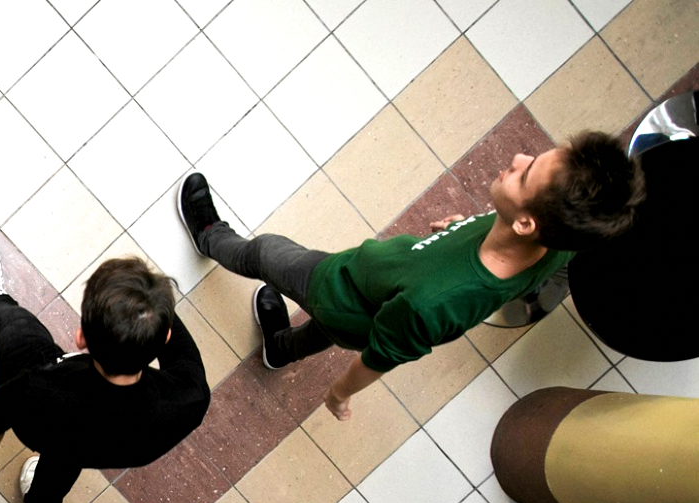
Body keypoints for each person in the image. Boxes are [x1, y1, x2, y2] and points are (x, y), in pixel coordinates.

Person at [177, 130, 644, 420]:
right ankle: (279, 349)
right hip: (373, 304)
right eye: (534, 159)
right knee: (325, 333)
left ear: (525, 223)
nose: (519, 159)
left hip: (339, 289)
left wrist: (339, 395)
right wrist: (459, 230)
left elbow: (381, 357)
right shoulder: (554, 243)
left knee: (266, 253)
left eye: (526, 175)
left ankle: (210, 237)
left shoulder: (434, 301)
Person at [0, 242, 210, 503]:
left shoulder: (40, 387)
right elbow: (183, 357)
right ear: (166, 339)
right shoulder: (189, 398)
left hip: (53, 427)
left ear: (81, 338)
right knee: (62, 466)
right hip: (107, 445)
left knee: (15, 326)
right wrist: (149, 308)